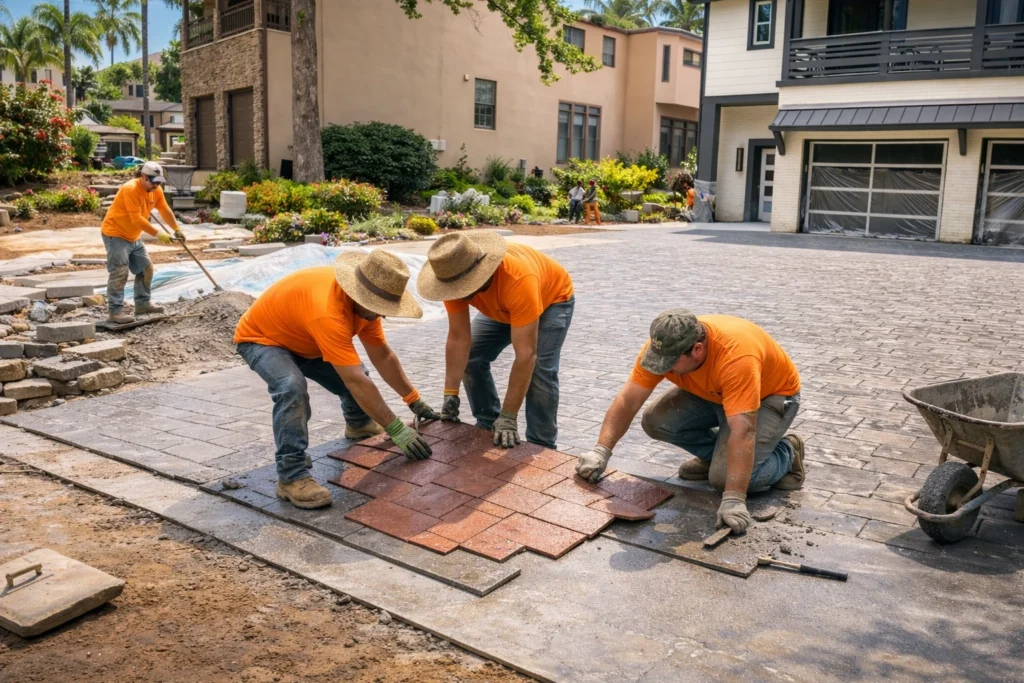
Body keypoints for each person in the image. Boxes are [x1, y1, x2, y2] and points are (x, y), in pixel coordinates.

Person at [234, 250, 439, 509]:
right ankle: (291, 476)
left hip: (306, 339)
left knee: (359, 374)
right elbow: (354, 381)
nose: (382, 315)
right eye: (380, 309)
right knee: (291, 387)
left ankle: (358, 424)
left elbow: (383, 356)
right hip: (262, 340)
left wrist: (413, 399)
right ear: (359, 295)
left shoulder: (367, 309)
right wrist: (396, 428)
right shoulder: (329, 312)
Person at [575, 309, 804, 534]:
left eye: (670, 364)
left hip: (769, 397)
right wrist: (601, 450)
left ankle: (786, 453)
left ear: (697, 349)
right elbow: (628, 401)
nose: (663, 369)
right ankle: (718, 458)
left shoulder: (737, 358)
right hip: (714, 393)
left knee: (726, 481)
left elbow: (743, 432)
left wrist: (734, 498)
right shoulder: (662, 348)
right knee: (656, 421)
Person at [417, 231, 574, 449]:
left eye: (465, 289)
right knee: (472, 356)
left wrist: (510, 415)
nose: (459, 294)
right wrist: (450, 394)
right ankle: (488, 423)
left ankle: (541, 443)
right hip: (503, 306)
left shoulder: (518, 279)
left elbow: (525, 355)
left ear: (481, 275)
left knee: (540, 369)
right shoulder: (452, 276)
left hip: (551, 301)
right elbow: (458, 338)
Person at [100, 161, 185, 324]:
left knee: (146, 269)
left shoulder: (156, 190)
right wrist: (158, 233)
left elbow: (164, 209)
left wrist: (176, 228)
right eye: (153, 182)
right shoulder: (130, 189)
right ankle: (115, 312)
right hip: (115, 234)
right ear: (143, 177)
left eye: (159, 182)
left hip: (133, 236)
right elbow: (136, 219)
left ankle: (142, 304)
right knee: (120, 272)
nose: (156, 185)